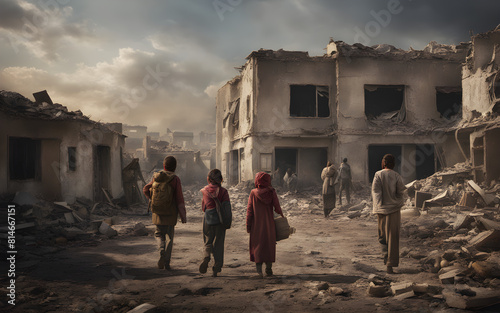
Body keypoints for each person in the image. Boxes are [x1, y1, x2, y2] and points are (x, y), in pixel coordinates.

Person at [143, 156, 187, 270]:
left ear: (164, 166)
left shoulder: (156, 177)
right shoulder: (175, 179)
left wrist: (151, 199)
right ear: (175, 167)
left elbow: (145, 189)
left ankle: (161, 249)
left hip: (157, 212)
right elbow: (179, 199)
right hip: (170, 213)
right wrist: (183, 216)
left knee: (158, 234)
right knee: (169, 237)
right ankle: (167, 263)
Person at [371, 154, 406, 274]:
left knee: (383, 237)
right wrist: (397, 201)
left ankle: (386, 260)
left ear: (383, 163)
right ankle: (390, 265)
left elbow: (376, 192)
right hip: (394, 210)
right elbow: (402, 191)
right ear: (393, 164)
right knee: (393, 237)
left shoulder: (378, 174)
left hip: (381, 210)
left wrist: (379, 206)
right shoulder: (396, 176)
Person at [246, 172, 284, 278]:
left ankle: (259, 271)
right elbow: (277, 207)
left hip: (256, 224)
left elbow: (249, 211)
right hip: (269, 224)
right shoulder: (271, 192)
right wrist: (282, 217)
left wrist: (248, 225)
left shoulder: (253, 193)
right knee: (268, 245)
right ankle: (269, 269)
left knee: (257, 245)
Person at [199, 169, 230, 277]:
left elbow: (204, 207)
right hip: (220, 221)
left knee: (208, 241)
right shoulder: (223, 192)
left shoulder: (204, 191)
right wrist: (228, 222)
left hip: (208, 219)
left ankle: (206, 256)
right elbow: (227, 209)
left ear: (208, 179)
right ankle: (216, 268)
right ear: (221, 180)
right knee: (219, 244)